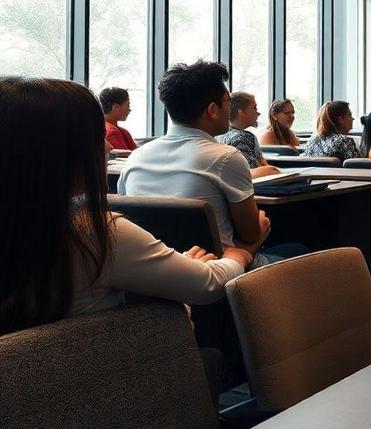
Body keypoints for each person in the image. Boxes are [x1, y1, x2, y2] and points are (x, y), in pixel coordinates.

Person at [0, 77, 257, 337]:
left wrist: (175, 266)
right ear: (64, 152)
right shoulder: (96, 233)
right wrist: (240, 254)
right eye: (98, 135)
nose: (108, 145)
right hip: (113, 371)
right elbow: (207, 284)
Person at [118, 61, 304, 269]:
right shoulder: (226, 158)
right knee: (303, 252)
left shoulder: (135, 158)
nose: (230, 108)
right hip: (223, 271)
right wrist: (261, 227)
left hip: (158, 274)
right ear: (213, 110)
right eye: (227, 101)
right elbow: (251, 234)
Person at [216, 92, 281, 178]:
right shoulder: (242, 137)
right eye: (254, 108)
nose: (258, 113)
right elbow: (253, 171)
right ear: (241, 112)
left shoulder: (219, 135)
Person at [98, 87, 138, 151]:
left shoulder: (123, 131)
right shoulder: (112, 132)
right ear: (115, 107)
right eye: (128, 105)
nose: (129, 110)